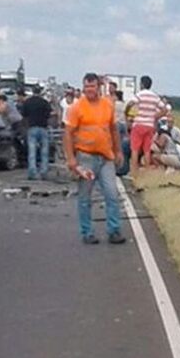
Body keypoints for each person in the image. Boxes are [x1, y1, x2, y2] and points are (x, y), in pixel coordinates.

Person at [64, 73, 125, 245]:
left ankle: (114, 230)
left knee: (112, 194)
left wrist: (118, 151)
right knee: (85, 197)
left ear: (98, 87)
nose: (89, 90)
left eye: (92, 86)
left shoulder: (107, 105)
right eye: (86, 87)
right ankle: (87, 232)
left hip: (106, 157)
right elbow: (68, 134)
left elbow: (113, 130)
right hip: (86, 158)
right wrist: (71, 160)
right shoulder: (77, 108)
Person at [127, 75, 170, 175]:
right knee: (147, 150)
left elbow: (130, 104)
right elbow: (165, 108)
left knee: (135, 149)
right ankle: (147, 171)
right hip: (149, 126)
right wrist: (155, 116)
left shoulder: (139, 95)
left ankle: (134, 172)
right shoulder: (154, 96)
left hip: (138, 124)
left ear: (142, 84)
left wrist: (129, 114)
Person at [21, 85, 52, 180]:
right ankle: (44, 172)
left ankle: (32, 172)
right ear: (40, 92)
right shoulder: (45, 102)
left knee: (32, 151)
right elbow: (49, 114)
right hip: (43, 128)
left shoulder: (28, 102)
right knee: (44, 152)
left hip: (32, 128)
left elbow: (23, 114)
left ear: (33, 91)